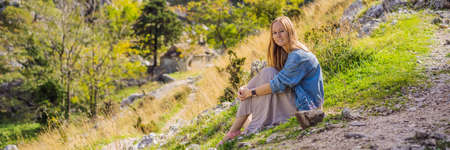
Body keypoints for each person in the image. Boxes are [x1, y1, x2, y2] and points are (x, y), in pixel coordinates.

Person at [217, 16, 324, 146]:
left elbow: (277, 85)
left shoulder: (298, 56)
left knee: (268, 74)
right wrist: (248, 89)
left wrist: (250, 92)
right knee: (269, 72)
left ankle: (234, 130)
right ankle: (238, 126)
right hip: (300, 99)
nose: (278, 35)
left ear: (290, 31)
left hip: (307, 108)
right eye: (274, 33)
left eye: (282, 31)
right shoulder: (290, 53)